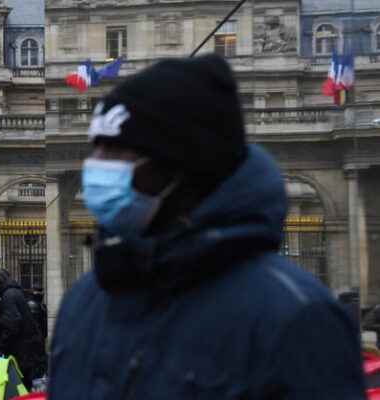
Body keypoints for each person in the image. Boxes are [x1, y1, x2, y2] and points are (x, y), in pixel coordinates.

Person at [46, 55, 365, 398]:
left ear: (180, 167)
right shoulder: (84, 299)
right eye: (96, 150)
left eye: (117, 152)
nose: (96, 167)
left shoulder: (298, 317)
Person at [0, 269, 45, 389]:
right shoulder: (15, 293)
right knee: (25, 384)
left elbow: (11, 324)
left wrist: (2, 346)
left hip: (20, 351)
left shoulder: (9, 296)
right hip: (27, 349)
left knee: (20, 385)